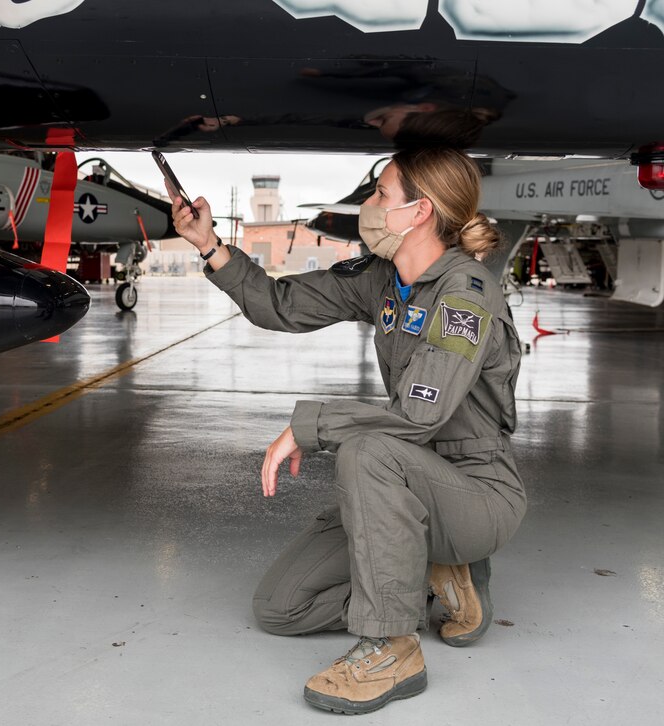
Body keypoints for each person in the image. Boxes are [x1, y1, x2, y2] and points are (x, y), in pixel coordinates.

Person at [169, 146, 526, 715]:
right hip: (404, 487)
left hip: (475, 493)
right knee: (279, 608)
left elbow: (418, 415)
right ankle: (433, 578)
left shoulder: (465, 296)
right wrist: (209, 245)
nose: (369, 204)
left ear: (420, 211)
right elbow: (280, 305)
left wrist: (308, 427)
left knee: (366, 452)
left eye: (382, 193)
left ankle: (392, 646)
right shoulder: (385, 281)